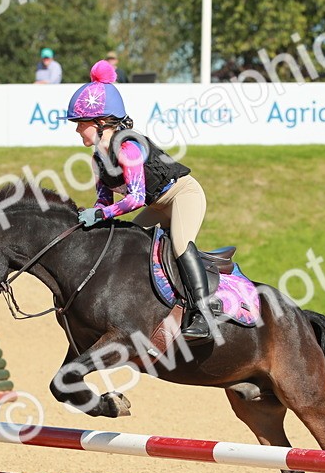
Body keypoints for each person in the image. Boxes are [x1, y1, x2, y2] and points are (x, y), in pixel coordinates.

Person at [66, 60, 219, 343]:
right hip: (156, 205)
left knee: (180, 244)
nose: (77, 130)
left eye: (80, 124)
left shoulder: (128, 147)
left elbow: (135, 197)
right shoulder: (97, 158)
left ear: (100, 123)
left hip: (182, 196)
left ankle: (203, 314)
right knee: (127, 245)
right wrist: (92, 217)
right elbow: (104, 200)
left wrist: (100, 216)